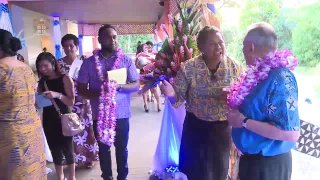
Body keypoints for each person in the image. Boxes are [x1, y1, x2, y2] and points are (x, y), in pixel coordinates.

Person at [160, 26, 242, 180]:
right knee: (194, 172)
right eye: (212, 43)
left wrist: (233, 97)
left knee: (218, 172)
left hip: (222, 130)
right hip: (195, 128)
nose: (218, 46)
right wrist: (171, 94)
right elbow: (178, 100)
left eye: (221, 42)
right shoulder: (189, 67)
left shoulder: (235, 67)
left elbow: (244, 100)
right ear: (200, 47)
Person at [227, 22, 300, 180]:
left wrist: (244, 122)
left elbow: (291, 134)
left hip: (268, 167)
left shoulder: (280, 77)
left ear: (251, 47)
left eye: (243, 47)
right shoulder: (258, 75)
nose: (242, 51)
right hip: (253, 161)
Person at [77, 24, 140, 180]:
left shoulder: (126, 60)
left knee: (121, 148)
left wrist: (119, 87)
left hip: (122, 113)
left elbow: (136, 84)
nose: (113, 40)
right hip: (100, 114)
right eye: (108, 37)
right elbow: (81, 89)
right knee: (103, 150)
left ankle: (122, 177)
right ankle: (107, 177)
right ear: (99, 39)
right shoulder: (89, 63)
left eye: (115, 37)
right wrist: (100, 93)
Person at [0, 29, 46, 179]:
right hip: (32, 128)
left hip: (9, 133)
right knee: (31, 171)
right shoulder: (25, 68)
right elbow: (32, 100)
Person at [58, 34, 98, 169]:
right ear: (62, 47)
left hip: (84, 100)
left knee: (87, 129)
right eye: (66, 46)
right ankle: (74, 158)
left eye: (71, 45)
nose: (69, 48)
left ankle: (89, 157)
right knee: (71, 130)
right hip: (68, 101)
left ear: (76, 46)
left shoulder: (85, 61)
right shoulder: (58, 64)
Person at [36, 52, 76, 180]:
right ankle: (60, 177)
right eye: (40, 66)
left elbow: (71, 101)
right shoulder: (42, 81)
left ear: (53, 64)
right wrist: (37, 101)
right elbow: (39, 103)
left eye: (45, 65)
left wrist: (57, 95)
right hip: (48, 119)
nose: (43, 69)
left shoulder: (65, 78)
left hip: (64, 117)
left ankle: (72, 177)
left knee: (68, 149)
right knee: (55, 150)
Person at [136, 43, 161, 112]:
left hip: (152, 75)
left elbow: (156, 63)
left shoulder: (151, 54)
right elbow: (136, 66)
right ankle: (146, 105)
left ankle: (159, 104)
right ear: (142, 49)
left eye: (147, 47)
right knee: (145, 90)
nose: (146, 48)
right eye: (144, 47)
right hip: (143, 75)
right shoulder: (139, 56)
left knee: (155, 89)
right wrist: (142, 66)